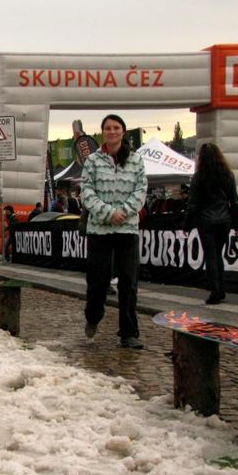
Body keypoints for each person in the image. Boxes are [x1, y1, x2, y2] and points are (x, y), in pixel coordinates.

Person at [81, 114, 147, 349]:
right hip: (99, 230)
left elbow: (141, 190)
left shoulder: (136, 161)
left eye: (116, 127)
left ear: (123, 131)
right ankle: (93, 316)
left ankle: (129, 332)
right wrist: (109, 213)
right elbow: (87, 192)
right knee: (97, 281)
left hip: (127, 229)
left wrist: (126, 212)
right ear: (103, 132)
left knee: (129, 282)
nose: (112, 131)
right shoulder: (92, 161)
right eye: (108, 128)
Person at [183, 142, 238, 304]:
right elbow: (235, 201)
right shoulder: (228, 175)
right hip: (224, 220)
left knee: (211, 256)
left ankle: (215, 291)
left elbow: (192, 204)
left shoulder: (199, 177)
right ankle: (221, 289)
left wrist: (186, 225)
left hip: (206, 221)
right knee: (219, 254)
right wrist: (237, 224)